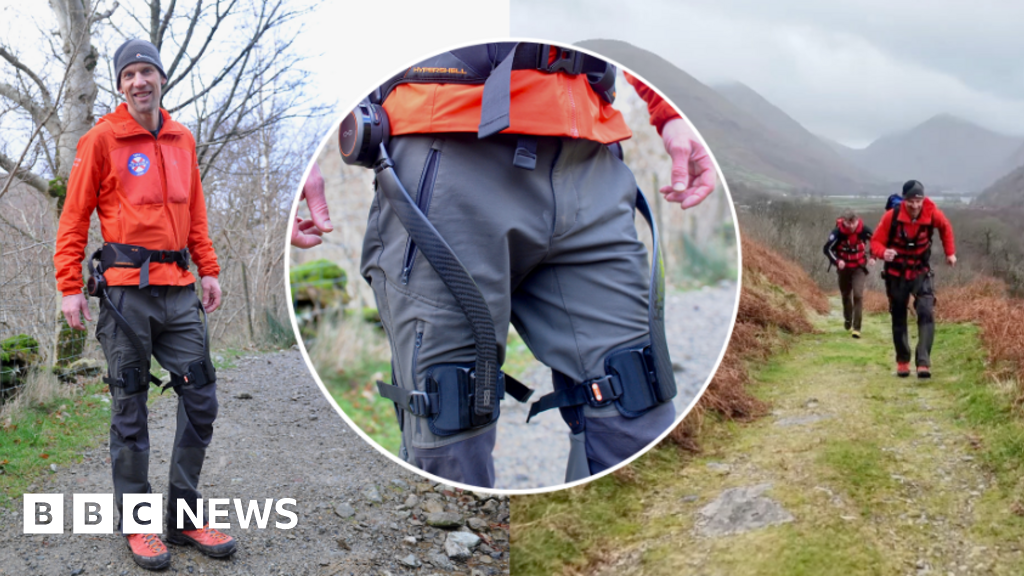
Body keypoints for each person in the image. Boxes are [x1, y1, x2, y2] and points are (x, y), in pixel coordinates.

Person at [296, 42, 717, 488]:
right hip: (446, 152)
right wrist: (304, 150)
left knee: (636, 396)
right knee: (449, 420)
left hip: (588, 155)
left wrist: (669, 111)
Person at [54, 39, 235, 570]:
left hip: (180, 290)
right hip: (125, 295)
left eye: (147, 72)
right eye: (129, 74)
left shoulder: (183, 139)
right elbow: (74, 216)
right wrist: (69, 283)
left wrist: (210, 268)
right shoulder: (101, 140)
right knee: (130, 407)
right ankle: (137, 523)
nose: (139, 81)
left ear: (161, 79)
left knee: (201, 396)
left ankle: (182, 515)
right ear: (118, 84)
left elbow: (195, 211)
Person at [871, 180, 956, 379]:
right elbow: (875, 242)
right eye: (911, 201)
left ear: (923, 199)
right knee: (898, 316)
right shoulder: (891, 217)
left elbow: (946, 228)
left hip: (921, 271)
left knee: (926, 312)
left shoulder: (932, 213)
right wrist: (884, 252)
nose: (915, 205)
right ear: (904, 200)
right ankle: (903, 361)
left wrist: (950, 253)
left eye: (918, 200)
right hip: (896, 274)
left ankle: (923, 363)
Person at [823, 209, 875, 338]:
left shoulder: (864, 230)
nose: (851, 226)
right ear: (844, 222)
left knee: (858, 295)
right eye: (848, 223)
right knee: (846, 295)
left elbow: (875, 241)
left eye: (853, 222)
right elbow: (827, 249)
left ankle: (857, 328)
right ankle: (848, 318)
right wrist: (837, 261)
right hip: (844, 268)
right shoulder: (838, 233)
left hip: (859, 267)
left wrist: (873, 256)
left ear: (857, 220)